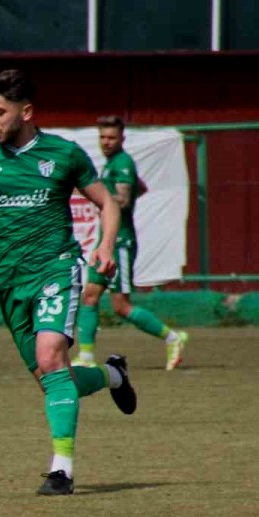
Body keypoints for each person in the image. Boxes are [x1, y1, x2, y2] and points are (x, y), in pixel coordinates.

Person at [0, 69, 138, 496]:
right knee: (54, 378)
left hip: (55, 268)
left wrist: (106, 245)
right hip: (9, 282)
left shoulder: (63, 154)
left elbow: (108, 203)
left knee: (50, 356)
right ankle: (113, 375)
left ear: (26, 111)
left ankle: (62, 471)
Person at [73, 115, 190, 371]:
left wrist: (95, 194)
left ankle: (173, 337)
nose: (106, 142)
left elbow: (124, 200)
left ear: (122, 139)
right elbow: (141, 187)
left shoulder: (123, 162)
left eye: (111, 137)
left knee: (121, 306)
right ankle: (86, 356)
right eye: (102, 137)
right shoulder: (112, 164)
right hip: (106, 242)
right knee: (90, 296)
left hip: (120, 243)